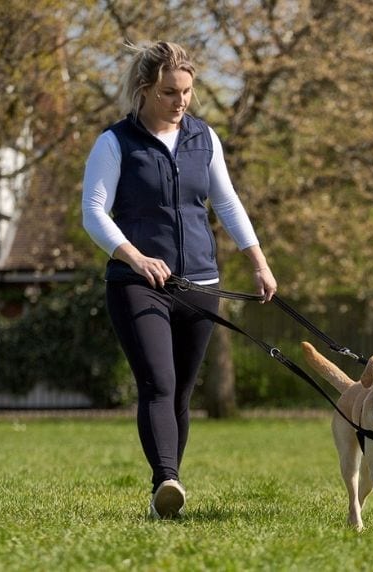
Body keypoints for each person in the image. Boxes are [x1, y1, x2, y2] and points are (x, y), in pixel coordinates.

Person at [81, 41, 277, 519]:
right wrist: (134, 256)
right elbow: (93, 212)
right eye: (170, 92)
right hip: (138, 283)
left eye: (187, 92)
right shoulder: (116, 142)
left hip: (202, 285)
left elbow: (226, 202)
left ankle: (167, 491)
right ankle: (165, 480)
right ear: (145, 90)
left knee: (183, 393)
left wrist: (258, 260)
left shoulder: (203, 138)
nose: (181, 101)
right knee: (159, 384)